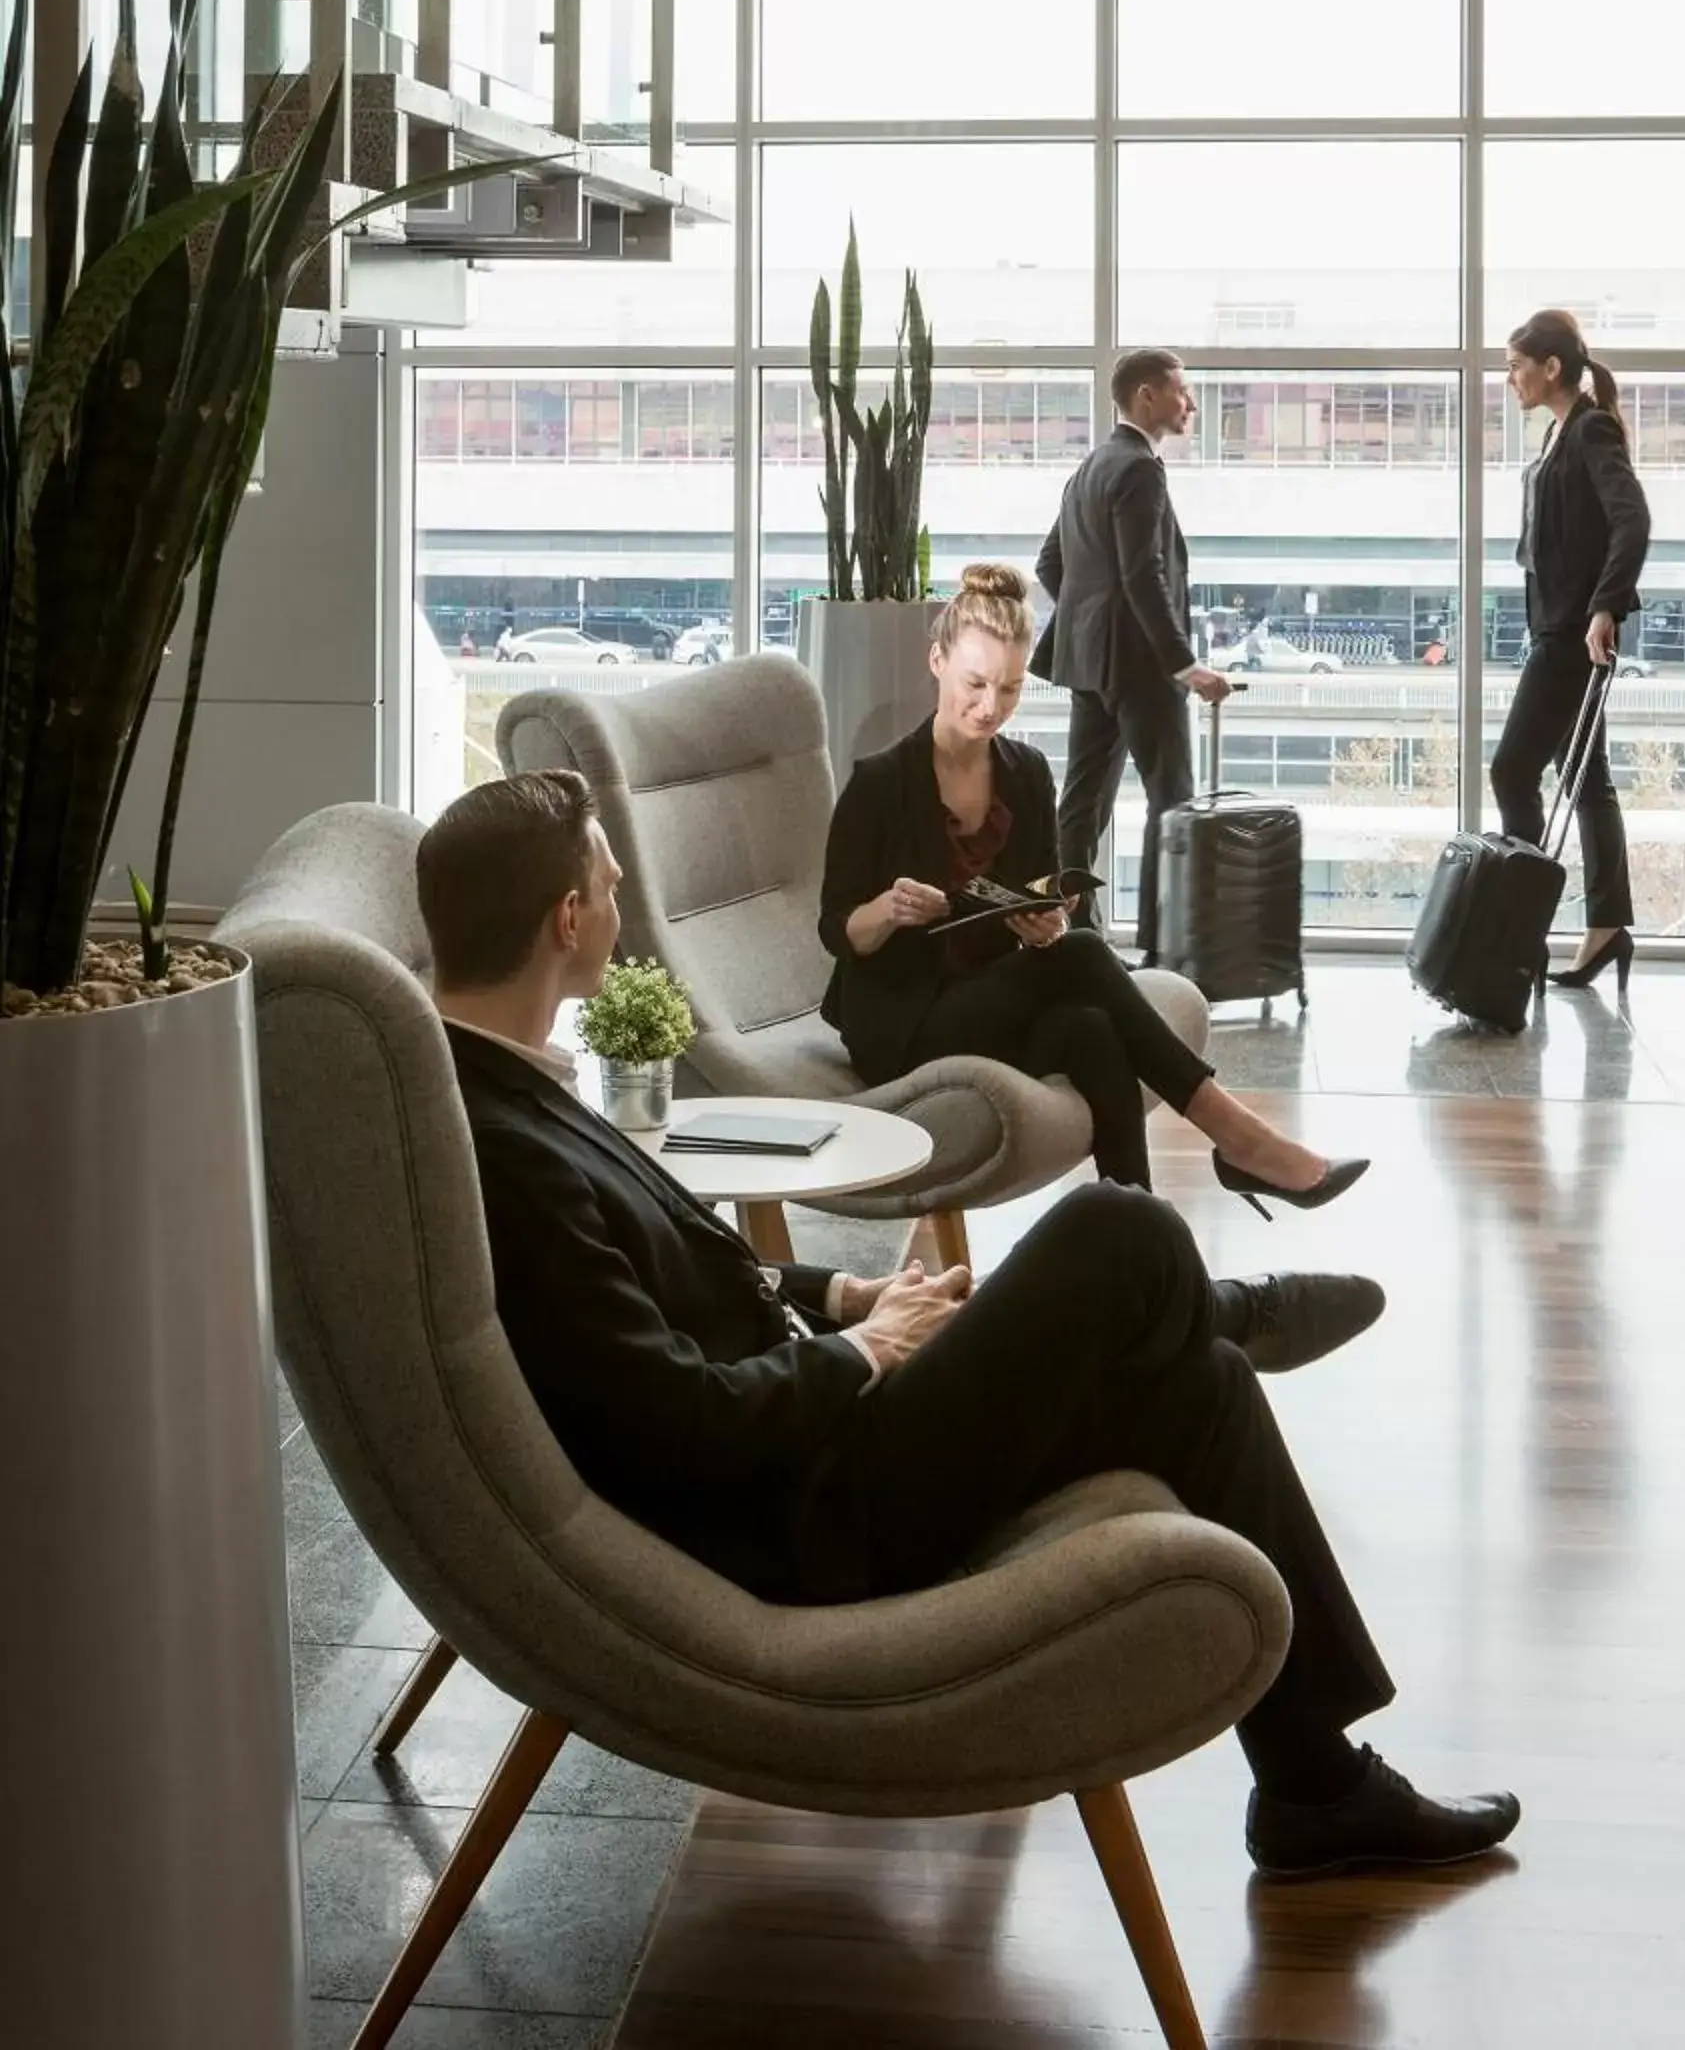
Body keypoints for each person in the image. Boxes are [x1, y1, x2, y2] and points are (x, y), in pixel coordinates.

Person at [415, 766, 1522, 1882]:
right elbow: (669, 1420)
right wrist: (861, 1355)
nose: (616, 908)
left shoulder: (510, 1095)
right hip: (803, 1516)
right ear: (566, 921)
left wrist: (845, 1300)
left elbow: (671, 1292)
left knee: (1202, 1387)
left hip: (808, 1442)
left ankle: (1313, 1784)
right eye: (607, 887)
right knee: (1112, 1232)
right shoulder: (507, 1149)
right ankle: (1222, 1310)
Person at [819, 561, 1366, 1213]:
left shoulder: (1025, 774)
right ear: (936, 660)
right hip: (901, 1024)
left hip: (985, 1002)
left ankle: (1142, 1253)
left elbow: (1039, 896)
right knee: (1082, 955)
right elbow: (835, 928)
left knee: (1091, 1031)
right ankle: (1239, 1138)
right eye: (974, 683)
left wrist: (1044, 921)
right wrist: (884, 911)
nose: (990, 706)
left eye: (1011, 689)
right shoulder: (879, 783)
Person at [1032, 347, 1228, 972]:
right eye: (1181, 390)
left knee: (1082, 804)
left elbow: (1051, 566)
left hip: (1090, 666)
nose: (1189, 403)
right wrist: (1183, 665)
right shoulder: (1140, 470)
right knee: (1172, 803)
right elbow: (1144, 575)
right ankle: (1163, 946)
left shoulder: (1089, 468)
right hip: (1141, 669)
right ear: (1146, 395)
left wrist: (1093, 623)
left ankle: (1077, 932)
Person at [1492, 308, 1652, 997]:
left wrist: (1605, 606)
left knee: (1510, 772)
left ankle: (1522, 932)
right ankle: (1608, 925)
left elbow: (1632, 517)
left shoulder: (1589, 428)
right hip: (1557, 630)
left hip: (1571, 637)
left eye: (1515, 366)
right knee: (1589, 783)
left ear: (1550, 366)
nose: (1509, 380)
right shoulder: (1565, 433)